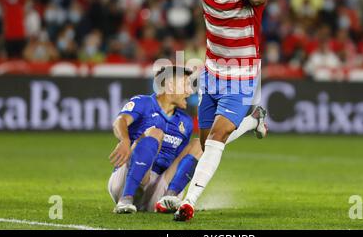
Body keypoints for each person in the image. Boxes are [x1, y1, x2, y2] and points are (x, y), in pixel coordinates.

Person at [156, 0, 268, 221]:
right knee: (206, 145)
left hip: (242, 75)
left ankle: (187, 202)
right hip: (212, 75)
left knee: (218, 137)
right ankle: (254, 120)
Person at [107, 65, 267, 213]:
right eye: (185, 84)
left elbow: (194, 154)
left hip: (155, 190)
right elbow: (120, 121)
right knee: (156, 133)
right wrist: (125, 141)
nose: (190, 91)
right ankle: (125, 200)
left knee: (199, 144)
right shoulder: (143, 102)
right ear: (170, 86)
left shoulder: (185, 122)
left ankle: (169, 197)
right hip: (125, 181)